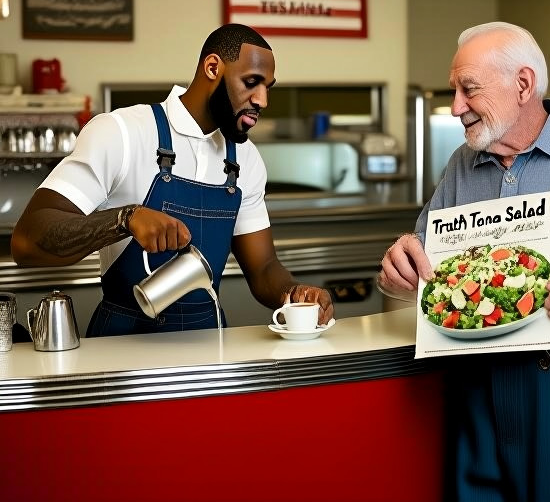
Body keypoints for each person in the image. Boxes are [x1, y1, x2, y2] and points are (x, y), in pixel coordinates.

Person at [11, 23, 334, 337]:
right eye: (251, 82)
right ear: (212, 68)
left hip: (209, 344)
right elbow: (26, 242)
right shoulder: (122, 131)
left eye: (267, 87)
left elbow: (264, 268)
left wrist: (294, 292)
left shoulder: (245, 158)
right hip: (122, 346)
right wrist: (125, 219)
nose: (262, 100)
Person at [377, 22, 550, 502]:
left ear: (523, 86)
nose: (456, 107)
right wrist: (395, 269)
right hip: (475, 393)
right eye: (455, 91)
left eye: (469, 90)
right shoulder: (461, 165)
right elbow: (419, 263)